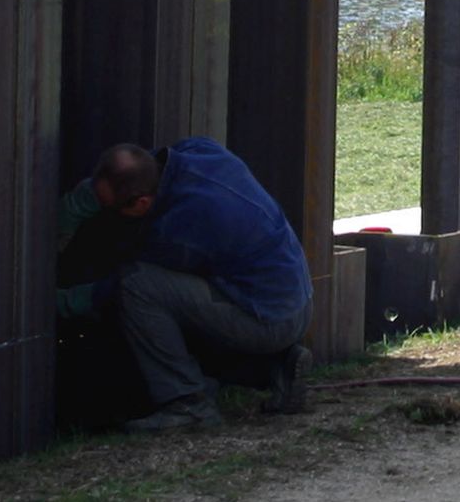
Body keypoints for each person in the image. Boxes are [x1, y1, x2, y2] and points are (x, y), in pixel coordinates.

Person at [58, 139, 313, 431]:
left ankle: (189, 403)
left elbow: (117, 288)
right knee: (185, 299)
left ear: (141, 203)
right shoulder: (201, 151)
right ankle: (276, 369)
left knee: (137, 289)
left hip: (270, 317)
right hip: (294, 298)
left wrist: (67, 302)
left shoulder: (182, 227)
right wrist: (83, 199)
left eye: (110, 207)